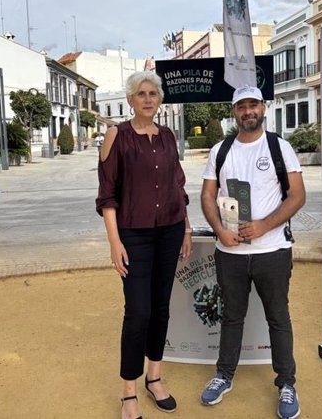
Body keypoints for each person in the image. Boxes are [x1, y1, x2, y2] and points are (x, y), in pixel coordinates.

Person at [200, 85, 306, 419]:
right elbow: (206, 196)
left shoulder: (280, 147)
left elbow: (297, 196)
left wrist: (264, 226)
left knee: (278, 317)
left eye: (253, 105)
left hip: (272, 250)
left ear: (263, 108)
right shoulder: (220, 150)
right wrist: (220, 231)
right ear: (235, 111)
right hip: (228, 252)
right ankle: (224, 375)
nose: (248, 111)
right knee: (231, 316)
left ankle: (286, 383)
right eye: (241, 106)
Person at [96, 71, 192, 419]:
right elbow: (107, 195)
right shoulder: (116, 136)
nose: (148, 99)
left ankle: (155, 377)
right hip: (133, 235)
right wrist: (114, 241)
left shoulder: (167, 136)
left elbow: (177, 186)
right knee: (138, 313)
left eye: (153, 93)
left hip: (169, 230)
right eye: (141, 93)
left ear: (159, 99)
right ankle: (128, 392)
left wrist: (186, 227)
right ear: (130, 100)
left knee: (161, 308)